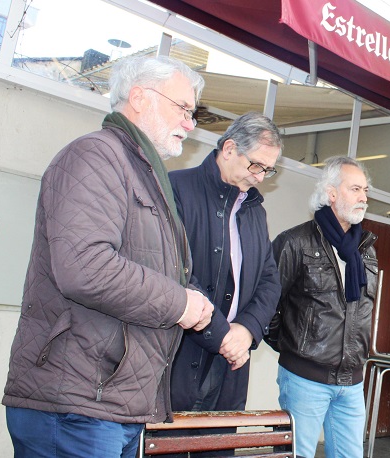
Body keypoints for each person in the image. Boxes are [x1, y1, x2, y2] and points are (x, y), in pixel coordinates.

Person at [2, 55, 214, 457]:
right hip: (75, 407)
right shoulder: (96, 156)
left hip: (109, 405)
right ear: (138, 97)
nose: (191, 123)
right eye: (184, 109)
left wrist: (188, 297)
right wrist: (179, 303)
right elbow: (85, 267)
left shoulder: (143, 173)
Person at [165, 112, 283, 455]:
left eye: (268, 170)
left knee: (217, 449)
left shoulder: (254, 211)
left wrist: (246, 331)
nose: (260, 177)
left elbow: (269, 281)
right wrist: (223, 334)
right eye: (256, 165)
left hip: (231, 362)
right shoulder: (177, 188)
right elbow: (176, 270)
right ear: (229, 149)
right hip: (179, 353)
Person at [267, 156, 378, 458]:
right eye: (355, 189)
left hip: (352, 382)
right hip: (305, 380)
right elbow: (267, 304)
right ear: (331, 194)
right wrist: (293, 346)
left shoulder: (366, 250)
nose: (364, 198)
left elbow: (363, 311)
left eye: (365, 191)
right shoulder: (294, 243)